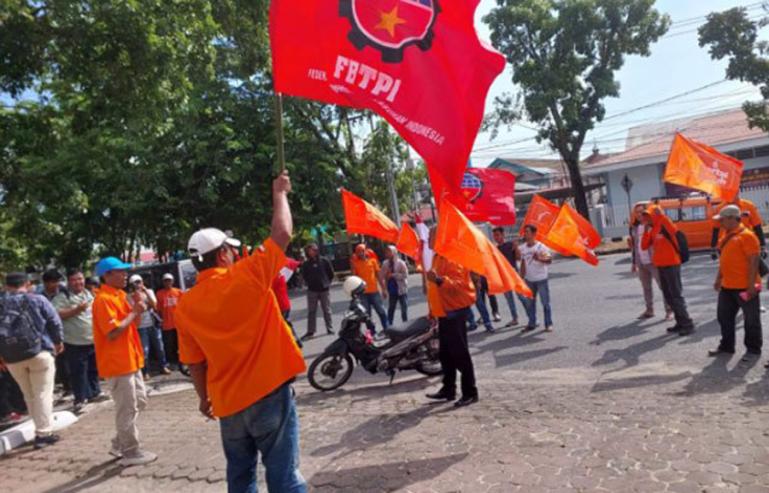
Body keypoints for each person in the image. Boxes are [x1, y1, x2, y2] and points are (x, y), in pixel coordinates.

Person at [175, 172, 307, 493]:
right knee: (284, 477)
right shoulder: (247, 276)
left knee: (240, 476)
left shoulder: (184, 305)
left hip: (227, 402)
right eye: (231, 250)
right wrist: (279, 193)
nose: (235, 254)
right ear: (222, 254)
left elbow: (195, 362)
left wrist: (204, 398)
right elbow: (283, 232)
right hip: (268, 393)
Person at [92, 256, 157, 467]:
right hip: (117, 363)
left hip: (130, 359)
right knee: (127, 408)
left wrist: (138, 308)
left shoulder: (119, 295)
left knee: (140, 401)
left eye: (125, 270)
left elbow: (132, 324)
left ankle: (119, 443)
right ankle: (131, 451)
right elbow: (112, 332)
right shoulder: (103, 300)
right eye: (120, 271)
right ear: (106, 275)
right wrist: (135, 311)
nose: (125, 274)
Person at [0, 272, 64, 449]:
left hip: (12, 358)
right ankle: (43, 433)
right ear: (27, 284)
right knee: (43, 393)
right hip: (39, 352)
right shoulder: (37, 299)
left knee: (28, 394)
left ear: (6, 286)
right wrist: (58, 342)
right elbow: (54, 321)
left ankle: (39, 427)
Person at [425, 228, 479, 408]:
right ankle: (448, 389)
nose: (427, 240)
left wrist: (439, 280)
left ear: (439, 238)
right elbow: (434, 288)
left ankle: (470, 392)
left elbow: (460, 285)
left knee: (460, 353)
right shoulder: (437, 257)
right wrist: (432, 310)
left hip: (454, 311)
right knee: (445, 354)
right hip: (443, 312)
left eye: (430, 236)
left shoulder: (452, 257)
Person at [709, 205, 763, 359]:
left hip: (745, 286)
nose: (720, 223)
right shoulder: (726, 236)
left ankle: (753, 350)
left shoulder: (747, 236)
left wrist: (751, 285)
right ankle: (727, 346)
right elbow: (724, 261)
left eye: (722, 220)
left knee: (751, 320)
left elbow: (754, 261)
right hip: (727, 286)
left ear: (732, 218)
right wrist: (718, 279)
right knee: (723, 317)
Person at [52, 269, 107, 414]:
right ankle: (80, 399)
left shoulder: (89, 294)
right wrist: (76, 310)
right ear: (69, 282)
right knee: (78, 372)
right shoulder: (62, 297)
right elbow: (56, 314)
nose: (78, 282)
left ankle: (95, 392)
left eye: (80, 279)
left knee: (93, 369)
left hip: (91, 339)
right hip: (74, 342)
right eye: (75, 279)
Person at [641, 206, 695, 336]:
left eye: (648, 215)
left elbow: (674, 230)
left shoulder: (664, 223)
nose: (646, 218)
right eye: (645, 216)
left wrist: (662, 215)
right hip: (660, 265)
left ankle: (687, 324)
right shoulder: (652, 228)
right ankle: (680, 322)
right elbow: (644, 246)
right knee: (669, 296)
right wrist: (646, 231)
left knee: (676, 295)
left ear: (655, 215)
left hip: (672, 264)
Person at [628, 203, 673, 320]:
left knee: (663, 286)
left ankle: (669, 310)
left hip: (654, 261)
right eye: (636, 212)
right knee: (646, 287)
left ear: (646, 212)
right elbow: (634, 246)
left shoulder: (652, 225)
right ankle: (649, 310)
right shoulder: (634, 227)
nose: (639, 214)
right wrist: (634, 263)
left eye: (641, 212)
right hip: (641, 262)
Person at [128, 274, 170, 379]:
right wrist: (137, 297)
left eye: (139, 282)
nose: (138, 284)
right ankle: (145, 371)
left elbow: (154, 305)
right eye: (135, 283)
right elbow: (136, 309)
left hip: (153, 323)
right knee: (145, 350)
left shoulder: (149, 291)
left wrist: (145, 292)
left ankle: (163, 366)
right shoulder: (129, 296)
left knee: (160, 347)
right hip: (141, 326)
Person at [519, 225, 554, 333]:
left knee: (545, 303)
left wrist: (538, 258)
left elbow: (549, 260)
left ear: (534, 234)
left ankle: (548, 324)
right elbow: (523, 263)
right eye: (525, 232)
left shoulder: (541, 247)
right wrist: (521, 277)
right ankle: (532, 323)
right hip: (529, 280)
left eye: (528, 232)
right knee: (530, 304)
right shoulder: (523, 248)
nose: (525, 234)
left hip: (541, 279)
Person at [351, 243, 389, 334]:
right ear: (356, 253)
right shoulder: (355, 264)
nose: (360, 253)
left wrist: (384, 289)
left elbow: (378, 276)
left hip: (374, 292)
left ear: (365, 251)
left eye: (362, 251)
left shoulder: (373, 261)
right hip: (362, 294)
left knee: (382, 312)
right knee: (367, 315)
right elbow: (354, 279)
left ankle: (387, 329)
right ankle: (372, 333)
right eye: (358, 252)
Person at [299, 243, 335, 340]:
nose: (312, 251)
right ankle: (311, 331)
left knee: (327, 310)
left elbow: (331, 273)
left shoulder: (324, 260)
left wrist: (327, 282)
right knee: (311, 311)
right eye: (310, 250)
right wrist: (309, 283)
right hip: (312, 290)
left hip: (324, 289)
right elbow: (304, 275)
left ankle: (330, 328)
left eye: (314, 249)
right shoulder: (306, 264)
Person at [155, 274, 188, 376]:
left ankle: (182, 361)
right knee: (169, 345)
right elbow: (158, 309)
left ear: (172, 281)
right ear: (163, 282)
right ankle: (172, 362)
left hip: (178, 323)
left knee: (180, 343)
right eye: (165, 281)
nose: (167, 282)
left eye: (169, 280)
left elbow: (184, 307)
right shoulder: (159, 294)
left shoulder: (178, 292)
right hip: (166, 324)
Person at [492, 227, 522, 326]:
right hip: (503, 276)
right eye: (494, 235)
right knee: (509, 299)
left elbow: (518, 258)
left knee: (522, 296)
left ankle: (532, 318)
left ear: (503, 235)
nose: (496, 237)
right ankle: (515, 318)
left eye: (498, 235)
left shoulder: (510, 245)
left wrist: (517, 247)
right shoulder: (495, 249)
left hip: (513, 274)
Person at [381, 245, 409, 325]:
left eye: (389, 251)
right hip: (392, 290)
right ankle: (390, 326)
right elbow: (382, 276)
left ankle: (406, 325)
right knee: (391, 309)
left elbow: (405, 275)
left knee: (404, 310)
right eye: (386, 252)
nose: (387, 253)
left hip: (401, 289)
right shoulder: (385, 263)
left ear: (394, 252)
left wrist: (393, 275)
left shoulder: (401, 263)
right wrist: (384, 289)